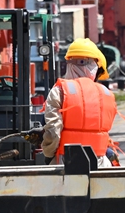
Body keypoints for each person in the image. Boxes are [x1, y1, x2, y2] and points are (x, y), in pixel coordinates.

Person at [33, 39, 119, 167]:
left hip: (66, 163)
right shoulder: (106, 94)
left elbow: (53, 133)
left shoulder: (59, 91)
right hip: (100, 163)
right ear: (96, 68)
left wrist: (49, 155)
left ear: (69, 63)